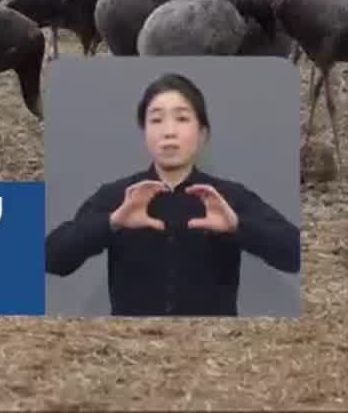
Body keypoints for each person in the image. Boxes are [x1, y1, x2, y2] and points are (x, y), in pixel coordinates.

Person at [44, 72, 301, 316]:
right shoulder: (120, 197)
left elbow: (294, 254)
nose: (169, 131)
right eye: (156, 120)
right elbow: (53, 258)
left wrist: (238, 226)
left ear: (202, 133)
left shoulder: (227, 198)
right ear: (144, 131)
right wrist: (111, 222)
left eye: (182, 119)